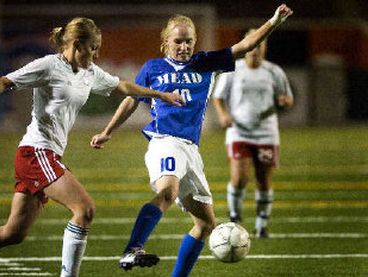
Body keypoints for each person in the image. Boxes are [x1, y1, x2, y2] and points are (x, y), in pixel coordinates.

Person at [0, 17, 184, 277]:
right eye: (93, 48)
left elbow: (122, 86)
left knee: (12, 233)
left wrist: (160, 95)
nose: (96, 54)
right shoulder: (49, 65)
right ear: (77, 44)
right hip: (36, 152)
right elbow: (6, 81)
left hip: (45, 155)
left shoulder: (89, 72)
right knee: (85, 209)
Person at [90, 4, 293, 276]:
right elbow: (131, 100)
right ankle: (132, 249)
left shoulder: (205, 63)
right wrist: (108, 131)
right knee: (166, 191)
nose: (184, 46)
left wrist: (274, 21)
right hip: (164, 141)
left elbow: (245, 46)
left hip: (190, 150)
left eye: (188, 41)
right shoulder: (153, 68)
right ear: (165, 43)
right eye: (178, 41)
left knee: (206, 224)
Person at [212, 29, 294, 238]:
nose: (255, 49)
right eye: (252, 44)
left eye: (260, 45)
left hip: (266, 133)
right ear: (245, 44)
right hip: (239, 131)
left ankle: (261, 225)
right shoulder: (232, 69)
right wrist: (223, 115)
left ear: (265, 47)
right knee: (239, 178)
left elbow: (288, 98)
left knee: (263, 179)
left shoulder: (274, 71)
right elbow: (218, 97)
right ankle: (235, 216)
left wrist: (285, 102)